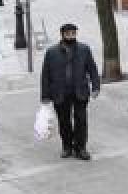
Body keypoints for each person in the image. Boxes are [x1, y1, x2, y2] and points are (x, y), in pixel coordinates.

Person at [40, 23, 101, 160]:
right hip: (60, 92)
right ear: (62, 35)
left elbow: (92, 69)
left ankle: (81, 148)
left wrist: (96, 86)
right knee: (64, 121)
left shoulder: (84, 49)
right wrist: (45, 95)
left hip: (80, 91)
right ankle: (67, 146)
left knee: (81, 120)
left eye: (73, 33)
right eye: (68, 34)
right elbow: (45, 75)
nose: (71, 36)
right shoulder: (51, 52)